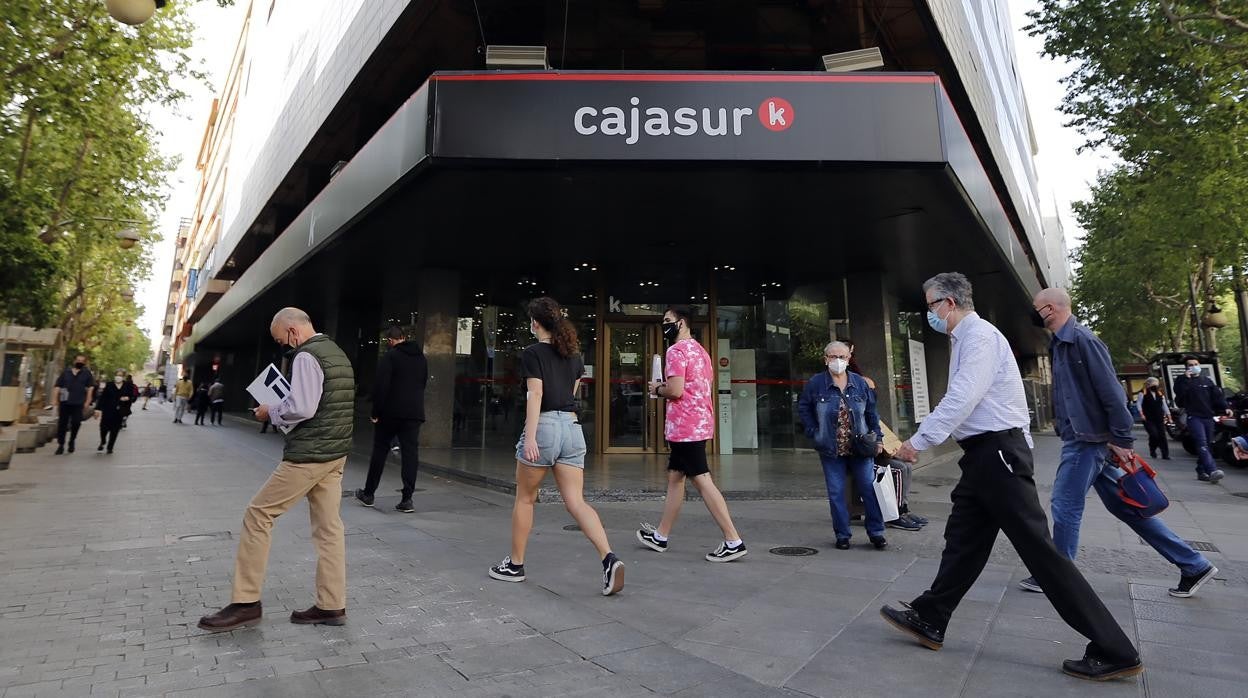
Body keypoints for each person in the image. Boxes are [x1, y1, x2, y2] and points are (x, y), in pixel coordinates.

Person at [880, 272, 1142, 682]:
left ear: (948, 303)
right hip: (984, 456)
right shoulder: (966, 338)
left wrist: (920, 441)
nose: (928, 313)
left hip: (998, 454)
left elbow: (963, 396)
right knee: (964, 539)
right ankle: (930, 615)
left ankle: (1115, 649)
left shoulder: (979, 336)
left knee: (1042, 552)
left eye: (930, 305)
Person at [1018, 288, 1217, 599]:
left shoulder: (1083, 340)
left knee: (1064, 504)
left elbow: (1111, 392)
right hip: (1087, 437)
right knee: (1128, 508)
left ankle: (1058, 576)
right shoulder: (1060, 343)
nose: (1033, 313)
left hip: (1088, 440)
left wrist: (1122, 438)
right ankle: (1194, 564)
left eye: (1036, 307)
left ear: (1050, 309)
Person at [198, 307, 355, 632]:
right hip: (335, 453)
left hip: (309, 454)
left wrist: (271, 411)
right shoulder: (336, 352)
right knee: (329, 529)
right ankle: (331, 604)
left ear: (293, 332)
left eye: (281, 339)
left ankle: (245, 602)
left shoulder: (306, 356)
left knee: (258, 515)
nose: (285, 346)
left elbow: (303, 407)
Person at [487, 297, 625, 596]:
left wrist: (532, 436)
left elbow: (535, 395)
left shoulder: (532, 353)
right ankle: (608, 557)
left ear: (535, 323)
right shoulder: (574, 356)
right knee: (577, 502)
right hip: (573, 429)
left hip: (546, 426)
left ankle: (515, 565)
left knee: (525, 499)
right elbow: (572, 395)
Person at [636, 305, 748, 562]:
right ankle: (661, 536)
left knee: (702, 480)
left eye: (667, 321)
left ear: (682, 323)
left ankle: (733, 539)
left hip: (684, 427)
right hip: (699, 423)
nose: (663, 325)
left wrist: (657, 387)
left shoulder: (676, 351)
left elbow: (675, 390)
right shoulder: (701, 351)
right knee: (675, 478)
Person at [797, 340, 888, 550]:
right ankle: (842, 535)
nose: (838, 361)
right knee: (836, 492)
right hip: (831, 448)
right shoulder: (816, 383)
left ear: (848, 359)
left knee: (868, 488)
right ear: (825, 359)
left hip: (861, 447)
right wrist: (814, 431)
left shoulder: (860, 383)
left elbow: (872, 414)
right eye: (833, 357)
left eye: (842, 357)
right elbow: (804, 409)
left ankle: (876, 532)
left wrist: (879, 438)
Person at [355, 326, 428, 513]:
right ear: (404, 337)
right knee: (410, 454)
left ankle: (369, 493)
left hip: (390, 413)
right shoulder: (421, 358)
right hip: (414, 413)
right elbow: (423, 383)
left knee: (380, 451)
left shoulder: (390, 357)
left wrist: (375, 412)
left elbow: (381, 386)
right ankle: (407, 499)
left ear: (390, 340)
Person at [1173, 355, 1230, 483]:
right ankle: (1212, 470)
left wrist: (1226, 407)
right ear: (1186, 368)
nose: (1194, 367)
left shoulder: (1207, 381)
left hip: (1208, 417)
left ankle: (1201, 470)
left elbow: (1217, 396)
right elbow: (1180, 397)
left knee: (1208, 445)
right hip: (1194, 417)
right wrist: (1186, 380)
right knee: (1201, 443)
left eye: (1196, 364)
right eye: (1191, 365)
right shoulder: (1182, 380)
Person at [878, 421, 928, 531]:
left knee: (908, 465)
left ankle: (904, 508)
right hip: (867, 458)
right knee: (900, 468)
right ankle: (896, 513)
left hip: (879, 453)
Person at [53, 354, 95, 455]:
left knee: (76, 422)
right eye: (78, 360)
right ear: (74, 361)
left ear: (84, 363)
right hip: (64, 402)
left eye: (82, 361)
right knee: (62, 424)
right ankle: (61, 445)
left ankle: (72, 440)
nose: (79, 362)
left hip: (78, 402)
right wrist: (54, 400)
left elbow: (90, 388)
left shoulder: (87, 374)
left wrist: (88, 401)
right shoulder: (66, 373)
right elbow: (57, 386)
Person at [93, 370, 129, 454]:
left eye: (120, 375)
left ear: (123, 377)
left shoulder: (127, 386)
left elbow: (132, 397)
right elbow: (103, 397)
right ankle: (103, 441)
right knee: (103, 428)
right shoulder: (109, 385)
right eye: (117, 375)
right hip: (108, 410)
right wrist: (97, 409)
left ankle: (110, 447)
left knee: (115, 430)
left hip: (119, 412)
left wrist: (127, 398)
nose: (118, 377)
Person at [1137, 377, 1171, 460]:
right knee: (1154, 434)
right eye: (1153, 383)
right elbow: (1139, 404)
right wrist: (1141, 414)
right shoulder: (1143, 393)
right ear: (1148, 384)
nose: (1155, 385)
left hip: (1159, 417)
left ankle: (1165, 454)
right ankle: (1152, 449)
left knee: (1162, 436)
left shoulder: (1159, 393)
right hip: (1148, 418)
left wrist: (1169, 415)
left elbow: (1164, 405)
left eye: (1156, 384)